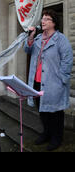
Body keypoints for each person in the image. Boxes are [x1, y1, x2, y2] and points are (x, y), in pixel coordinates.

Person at [26, 10, 74, 151]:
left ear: (54, 22)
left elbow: (67, 60)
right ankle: (46, 133)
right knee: (43, 111)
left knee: (55, 113)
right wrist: (30, 37)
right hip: (37, 81)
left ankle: (57, 138)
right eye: (43, 19)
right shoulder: (38, 38)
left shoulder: (61, 39)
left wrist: (61, 79)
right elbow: (27, 50)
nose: (43, 21)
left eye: (47, 19)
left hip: (54, 83)